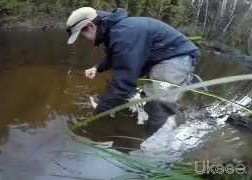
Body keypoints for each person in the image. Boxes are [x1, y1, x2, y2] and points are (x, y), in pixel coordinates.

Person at [66, 7, 200, 133]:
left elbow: (123, 84)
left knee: (159, 104)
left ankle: (161, 141)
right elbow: (117, 56)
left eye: (82, 36)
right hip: (159, 58)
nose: (84, 40)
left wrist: (98, 114)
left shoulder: (124, 34)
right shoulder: (115, 31)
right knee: (145, 96)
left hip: (176, 58)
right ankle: (147, 127)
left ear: (91, 26)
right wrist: (97, 67)